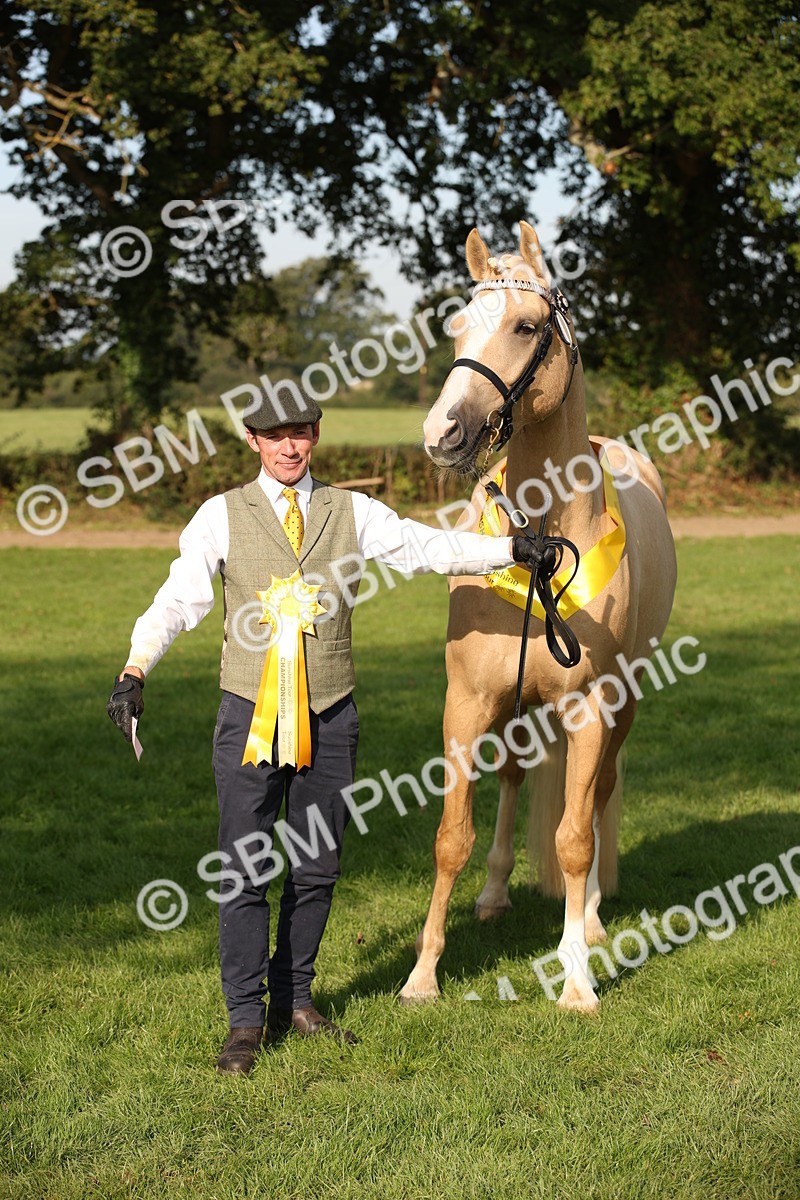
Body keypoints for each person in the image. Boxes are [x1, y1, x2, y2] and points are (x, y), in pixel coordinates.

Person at [107, 390, 538, 1075]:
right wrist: (135, 667)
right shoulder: (220, 516)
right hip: (248, 716)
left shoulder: (351, 511)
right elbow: (179, 597)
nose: (289, 447)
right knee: (245, 871)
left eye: (300, 434)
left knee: (317, 867)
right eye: (274, 436)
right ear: (252, 441)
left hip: (332, 714)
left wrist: (509, 548)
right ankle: (246, 1022)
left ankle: (297, 999)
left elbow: (425, 547)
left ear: (315, 437)